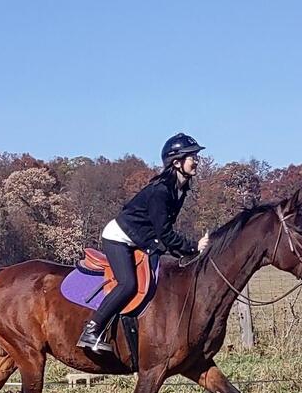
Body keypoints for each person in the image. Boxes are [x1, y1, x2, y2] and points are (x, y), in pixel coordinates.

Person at [77, 133, 210, 352]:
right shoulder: (161, 191)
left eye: (196, 156)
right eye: (192, 156)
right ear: (177, 162)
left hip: (141, 239)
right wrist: (193, 247)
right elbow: (164, 233)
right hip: (119, 237)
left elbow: (162, 232)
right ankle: (91, 330)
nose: (196, 160)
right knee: (128, 284)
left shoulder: (180, 189)